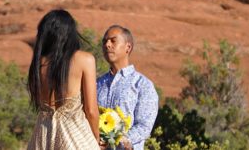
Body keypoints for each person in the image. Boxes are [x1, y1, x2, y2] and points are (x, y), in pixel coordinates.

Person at [27, 9, 102, 149]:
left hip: (43, 135)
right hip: (74, 136)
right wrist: (95, 137)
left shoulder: (38, 63)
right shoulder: (84, 59)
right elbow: (91, 110)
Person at [96, 25, 158, 150]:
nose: (107, 45)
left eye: (113, 40)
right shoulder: (97, 84)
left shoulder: (142, 85)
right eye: (105, 42)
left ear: (128, 47)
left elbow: (144, 125)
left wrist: (119, 140)